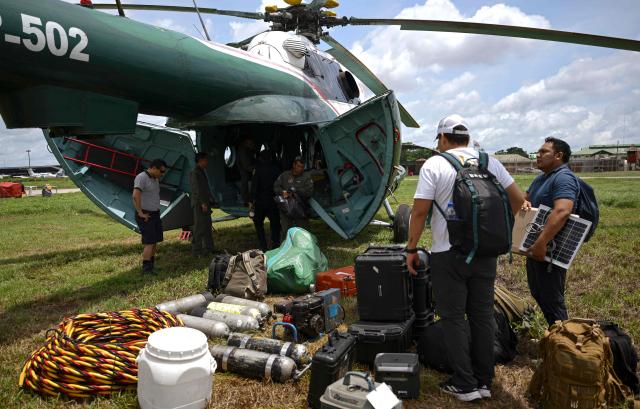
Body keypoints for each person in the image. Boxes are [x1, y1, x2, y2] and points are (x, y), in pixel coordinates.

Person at [405, 115, 524, 402]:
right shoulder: (489, 162)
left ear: (443, 139)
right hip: (486, 253)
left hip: (450, 254)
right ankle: (485, 379)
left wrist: (411, 248)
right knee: (482, 316)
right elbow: (519, 201)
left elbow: (419, 212)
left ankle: (465, 383)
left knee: (454, 317)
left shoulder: (435, 164)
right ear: (467, 138)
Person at [522, 137, 579, 327]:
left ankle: (566, 347)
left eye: (544, 151)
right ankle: (556, 339)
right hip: (537, 247)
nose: (538, 155)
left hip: (551, 249)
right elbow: (526, 198)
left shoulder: (563, 177)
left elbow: (563, 210)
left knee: (552, 299)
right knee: (539, 293)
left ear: (558, 155)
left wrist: (541, 243)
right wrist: (524, 202)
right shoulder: (541, 178)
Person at [132, 159, 167, 275]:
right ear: (154, 168)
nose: (162, 174)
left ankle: (151, 265)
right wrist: (140, 212)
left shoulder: (155, 179)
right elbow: (135, 195)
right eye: (161, 171)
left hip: (155, 214)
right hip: (146, 214)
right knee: (149, 242)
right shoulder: (142, 177)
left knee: (155, 240)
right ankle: (146, 269)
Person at [273, 156, 313, 239]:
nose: (300, 169)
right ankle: (285, 249)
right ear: (294, 165)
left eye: (302, 167)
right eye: (298, 166)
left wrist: (295, 191)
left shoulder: (306, 177)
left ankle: (304, 249)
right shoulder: (285, 175)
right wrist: (282, 192)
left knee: (303, 231)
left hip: (300, 208)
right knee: (286, 231)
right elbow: (276, 187)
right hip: (286, 208)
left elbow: (309, 192)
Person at [250, 150, 281, 251]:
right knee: (275, 223)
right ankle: (275, 244)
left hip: (261, 201)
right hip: (273, 200)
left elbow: (254, 186)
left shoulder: (257, 169)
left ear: (261, 158)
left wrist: (251, 201)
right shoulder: (276, 169)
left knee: (258, 223)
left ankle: (263, 245)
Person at [189, 152, 215, 256]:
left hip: (205, 203)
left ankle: (209, 248)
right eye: (205, 160)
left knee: (207, 226)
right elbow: (196, 190)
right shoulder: (194, 172)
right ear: (200, 160)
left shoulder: (201, 171)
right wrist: (203, 203)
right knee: (199, 227)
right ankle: (196, 251)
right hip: (200, 204)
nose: (207, 162)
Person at [236, 137, 257, 206]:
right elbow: (246, 164)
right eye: (250, 143)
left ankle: (248, 200)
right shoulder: (243, 151)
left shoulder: (247, 150)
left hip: (246, 169)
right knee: (244, 184)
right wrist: (254, 169)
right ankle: (246, 201)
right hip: (244, 170)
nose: (251, 145)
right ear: (246, 142)